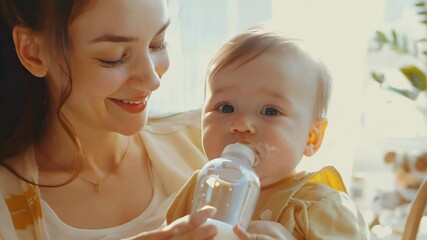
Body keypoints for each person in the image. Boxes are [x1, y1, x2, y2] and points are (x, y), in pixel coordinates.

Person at [0, 0, 220, 239]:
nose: (152, 80)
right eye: (113, 57)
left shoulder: (213, 144)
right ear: (34, 52)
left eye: (157, 44)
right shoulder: (7, 202)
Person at [166, 25, 371, 239]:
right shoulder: (200, 189)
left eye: (270, 111)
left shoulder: (321, 207)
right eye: (225, 107)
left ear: (312, 137)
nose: (242, 124)